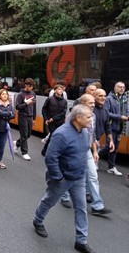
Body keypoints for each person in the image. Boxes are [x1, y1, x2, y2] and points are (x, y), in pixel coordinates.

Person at [33, 105, 96, 253]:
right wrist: (58, 177)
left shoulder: (85, 131)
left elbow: (83, 152)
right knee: (49, 201)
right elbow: (50, 157)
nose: (91, 119)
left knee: (81, 208)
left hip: (79, 177)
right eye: (88, 116)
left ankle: (81, 241)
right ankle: (38, 220)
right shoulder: (61, 134)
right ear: (78, 118)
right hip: (62, 178)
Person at [101, 82, 129, 175]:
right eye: (119, 87)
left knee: (115, 148)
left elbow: (127, 110)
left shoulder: (125, 98)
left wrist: (127, 116)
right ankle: (94, 156)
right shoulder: (109, 98)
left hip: (120, 127)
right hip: (111, 126)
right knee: (109, 146)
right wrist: (120, 117)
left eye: (123, 87)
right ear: (115, 88)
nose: (122, 89)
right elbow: (106, 113)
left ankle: (111, 167)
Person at [41, 84, 67, 156]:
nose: (60, 91)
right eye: (59, 89)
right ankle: (46, 150)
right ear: (55, 90)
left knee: (57, 136)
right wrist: (46, 119)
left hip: (60, 122)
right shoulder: (50, 99)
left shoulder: (64, 101)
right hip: (51, 122)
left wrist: (54, 118)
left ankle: (49, 150)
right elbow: (44, 109)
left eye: (61, 89)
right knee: (53, 135)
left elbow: (63, 113)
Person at [14, 78, 36, 160]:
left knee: (28, 134)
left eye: (32, 86)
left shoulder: (33, 93)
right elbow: (17, 106)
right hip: (22, 116)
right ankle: (24, 152)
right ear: (25, 85)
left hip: (30, 116)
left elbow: (34, 106)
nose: (31, 88)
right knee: (24, 134)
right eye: (29, 86)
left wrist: (34, 118)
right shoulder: (21, 95)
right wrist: (26, 104)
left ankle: (17, 143)